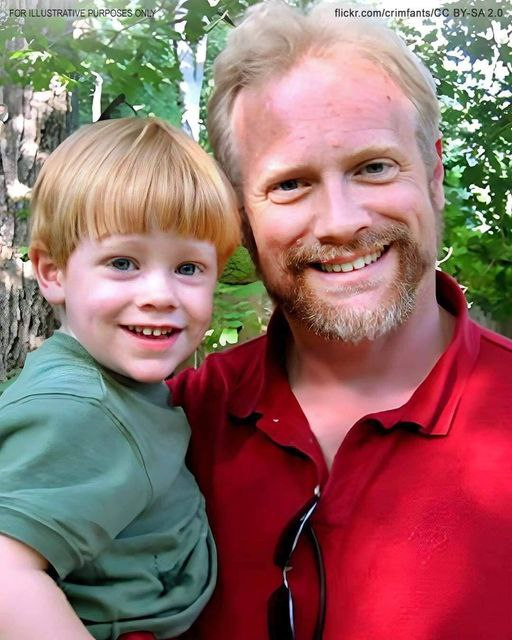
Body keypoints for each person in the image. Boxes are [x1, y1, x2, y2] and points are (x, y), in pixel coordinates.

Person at [169, 3, 512, 640]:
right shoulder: (167, 428)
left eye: (374, 167)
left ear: (434, 175)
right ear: (241, 217)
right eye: (290, 184)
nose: (340, 222)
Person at [0, 117, 239, 639]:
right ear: (53, 273)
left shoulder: (116, 388)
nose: (160, 295)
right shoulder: (83, 409)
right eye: (124, 262)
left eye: (188, 268)